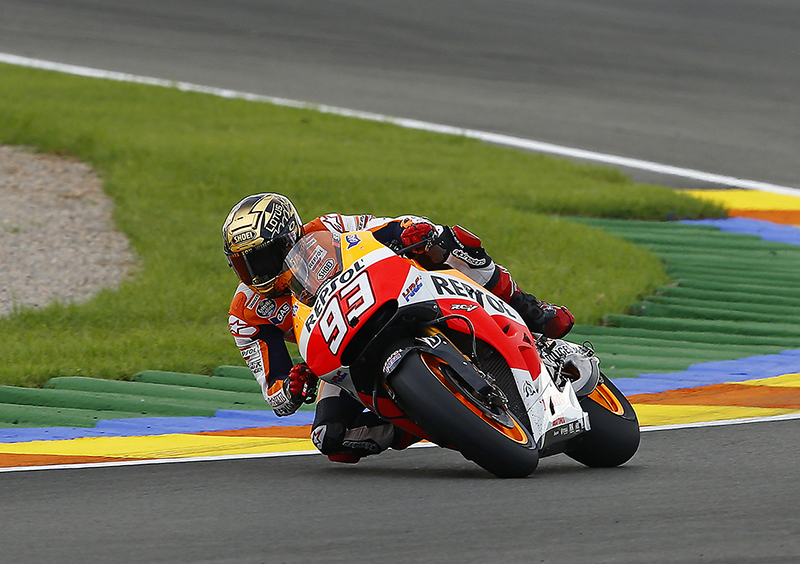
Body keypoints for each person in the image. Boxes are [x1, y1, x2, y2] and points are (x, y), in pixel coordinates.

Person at [223, 193, 574, 463]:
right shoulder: (245, 314)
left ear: (289, 239)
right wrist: (294, 386)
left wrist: (414, 232)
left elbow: (388, 226)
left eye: (262, 259)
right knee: (331, 440)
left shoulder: (327, 228)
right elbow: (276, 394)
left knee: (451, 244)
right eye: (243, 265)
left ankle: (529, 309)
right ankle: (433, 416)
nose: (255, 274)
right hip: (339, 348)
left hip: (389, 293)